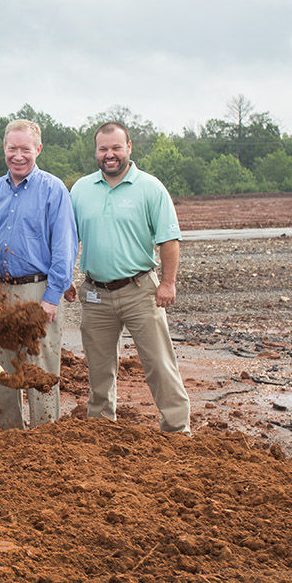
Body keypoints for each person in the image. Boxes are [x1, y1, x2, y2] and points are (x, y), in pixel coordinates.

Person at [66, 121, 191, 433]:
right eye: (103, 149)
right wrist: (65, 275)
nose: (110, 154)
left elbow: (169, 240)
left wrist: (168, 282)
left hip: (140, 290)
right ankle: (101, 428)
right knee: (98, 368)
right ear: (96, 152)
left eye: (116, 148)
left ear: (129, 148)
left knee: (159, 364)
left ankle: (177, 429)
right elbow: (67, 239)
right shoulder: (81, 190)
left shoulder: (149, 187)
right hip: (95, 293)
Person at [0, 120, 78, 429]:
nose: (18, 156)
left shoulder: (53, 189)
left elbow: (65, 246)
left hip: (37, 291)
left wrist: (52, 297)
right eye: (12, 148)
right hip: (1, 293)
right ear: (4, 149)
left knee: (41, 366)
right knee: (4, 364)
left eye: (25, 149)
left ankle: (45, 434)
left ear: (38, 149)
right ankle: (8, 434)